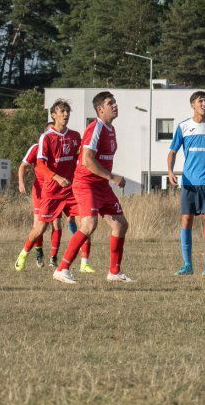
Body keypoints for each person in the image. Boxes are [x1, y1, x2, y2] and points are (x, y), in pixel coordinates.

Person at [53, 91, 132, 284]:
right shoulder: (95, 127)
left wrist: (108, 179)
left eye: (115, 102)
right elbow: (87, 160)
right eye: (110, 103)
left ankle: (114, 272)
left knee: (121, 225)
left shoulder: (110, 128)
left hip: (100, 185)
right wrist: (112, 177)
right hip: (85, 183)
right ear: (100, 109)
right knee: (89, 225)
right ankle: (61, 269)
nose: (115, 105)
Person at [29, 101, 93, 272]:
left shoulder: (74, 136)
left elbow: (80, 158)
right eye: (62, 111)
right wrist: (22, 182)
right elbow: (32, 165)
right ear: (53, 115)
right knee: (43, 226)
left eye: (67, 111)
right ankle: (31, 252)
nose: (65, 114)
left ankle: (82, 262)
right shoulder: (43, 140)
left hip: (71, 188)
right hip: (46, 190)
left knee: (85, 223)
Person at [167, 91, 205, 276]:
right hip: (189, 182)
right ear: (193, 105)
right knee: (186, 220)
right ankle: (187, 265)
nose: (204, 104)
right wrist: (170, 171)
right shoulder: (183, 126)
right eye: (200, 101)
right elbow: (172, 151)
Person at [13, 137, 46, 268]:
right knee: (39, 225)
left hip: (59, 191)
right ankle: (35, 252)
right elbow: (23, 166)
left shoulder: (62, 145)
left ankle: (82, 260)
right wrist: (21, 182)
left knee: (58, 226)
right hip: (40, 192)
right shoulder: (36, 148)